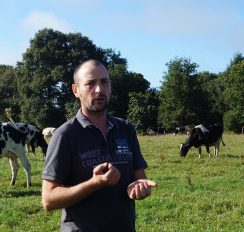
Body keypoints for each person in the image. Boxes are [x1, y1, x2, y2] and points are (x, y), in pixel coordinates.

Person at [41, 59, 157, 232]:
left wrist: (138, 187)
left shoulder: (125, 129)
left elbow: (139, 177)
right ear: (76, 90)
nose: (99, 90)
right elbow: (49, 200)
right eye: (90, 83)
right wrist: (94, 184)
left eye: (104, 82)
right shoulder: (65, 135)